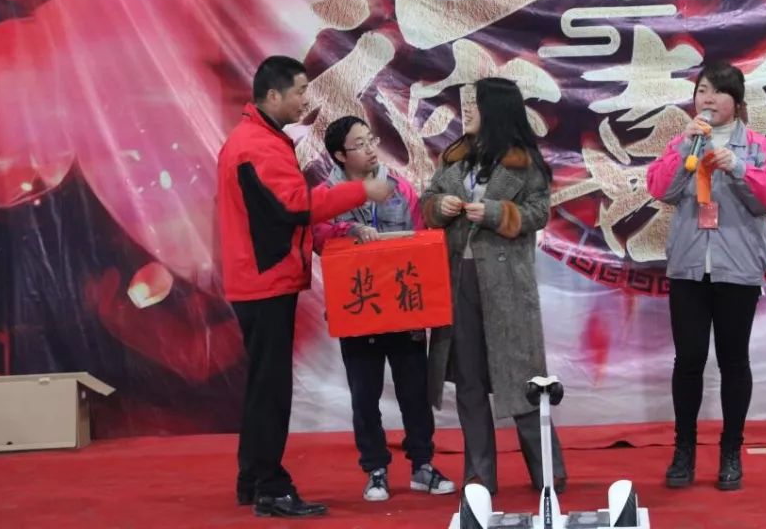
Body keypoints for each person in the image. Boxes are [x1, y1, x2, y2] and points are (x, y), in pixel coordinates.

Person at [217, 56, 394, 518]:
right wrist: (362, 191)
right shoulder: (257, 145)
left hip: (260, 278)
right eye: (298, 91)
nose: (304, 99)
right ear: (272, 95)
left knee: (263, 386)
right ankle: (271, 488)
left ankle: (253, 478)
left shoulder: (258, 139)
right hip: (264, 281)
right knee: (271, 390)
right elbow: (295, 207)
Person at [645, 61, 766, 491]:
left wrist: (739, 168)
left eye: (718, 92)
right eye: (702, 91)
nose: (707, 99)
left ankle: (731, 452)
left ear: (737, 102)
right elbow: (660, 189)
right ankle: (684, 451)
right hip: (689, 269)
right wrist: (682, 150)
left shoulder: (759, 148)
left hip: (738, 270)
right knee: (688, 361)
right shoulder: (683, 142)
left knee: (733, 361)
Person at [421, 77, 566, 495]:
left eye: (475, 104)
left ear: (495, 111)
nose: (466, 111)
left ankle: (548, 470)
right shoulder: (454, 158)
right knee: (468, 380)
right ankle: (479, 473)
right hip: (458, 281)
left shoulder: (525, 162)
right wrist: (439, 206)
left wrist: (496, 212)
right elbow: (427, 201)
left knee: (522, 378)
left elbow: (538, 212)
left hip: (507, 286)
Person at [313, 116, 456, 502]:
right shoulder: (326, 196)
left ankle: (422, 465)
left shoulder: (399, 187)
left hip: (404, 307)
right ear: (340, 155)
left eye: (371, 140)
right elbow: (317, 236)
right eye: (359, 144)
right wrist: (350, 230)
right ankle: (375, 469)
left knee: (415, 392)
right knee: (365, 396)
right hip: (359, 310)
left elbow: (420, 236)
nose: (370, 149)